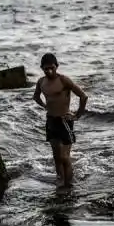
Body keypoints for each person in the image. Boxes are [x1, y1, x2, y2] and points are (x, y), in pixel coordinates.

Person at [32, 53, 88, 188]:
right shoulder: (41, 82)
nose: (49, 71)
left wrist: (77, 115)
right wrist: (45, 106)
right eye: (46, 69)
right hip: (51, 120)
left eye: (52, 68)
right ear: (42, 68)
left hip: (64, 121)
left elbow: (83, 96)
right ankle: (60, 182)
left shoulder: (64, 80)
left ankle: (69, 184)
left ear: (57, 66)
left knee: (64, 157)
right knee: (56, 156)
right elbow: (36, 97)